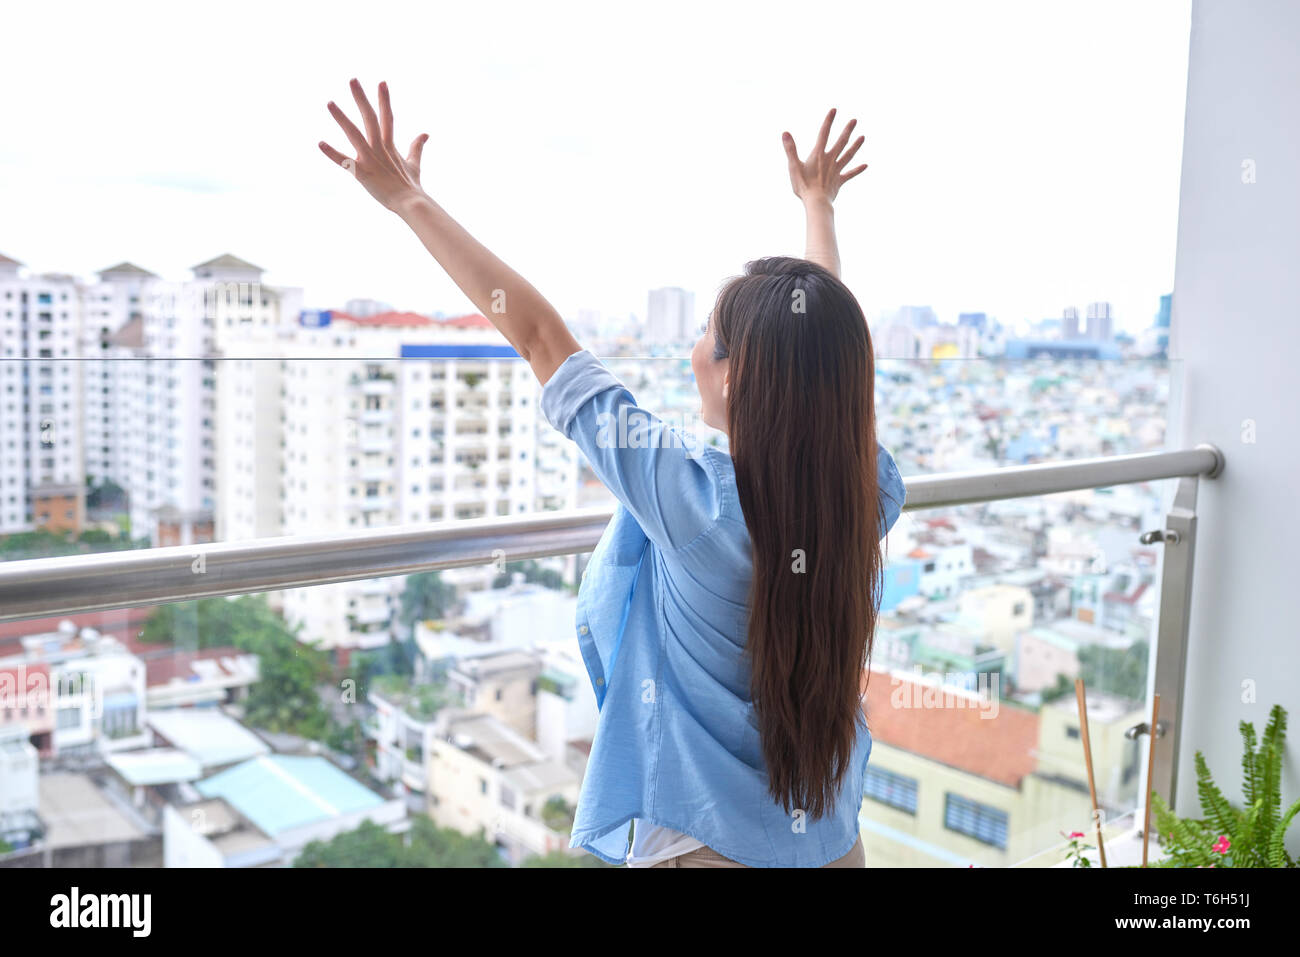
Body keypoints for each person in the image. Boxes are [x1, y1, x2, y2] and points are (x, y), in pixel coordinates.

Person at [320, 82, 906, 867]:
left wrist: (407, 200)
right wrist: (817, 207)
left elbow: (536, 334)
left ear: (736, 378)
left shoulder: (691, 499)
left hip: (709, 845)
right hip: (835, 838)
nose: (694, 347)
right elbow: (823, 354)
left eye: (708, 332)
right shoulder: (861, 490)